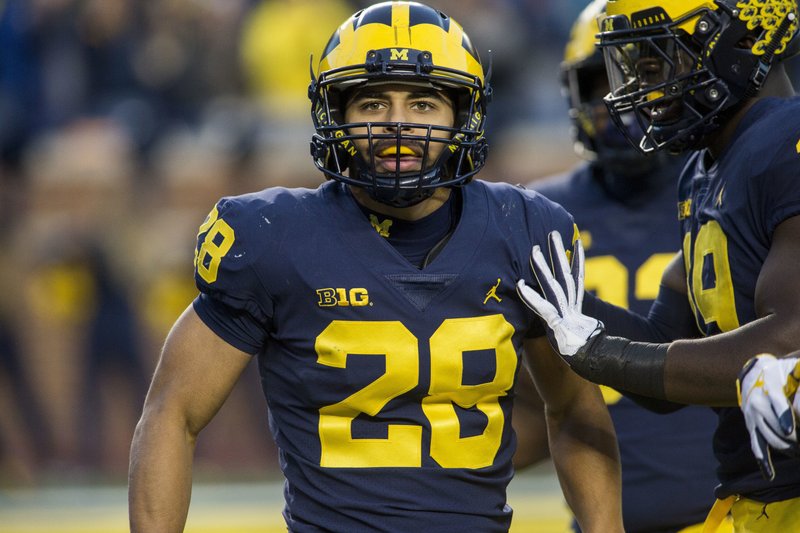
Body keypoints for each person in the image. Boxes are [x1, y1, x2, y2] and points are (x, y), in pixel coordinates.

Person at [127, 2, 623, 532]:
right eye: (372, 103)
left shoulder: (524, 230)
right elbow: (172, 414)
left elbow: (573, 410)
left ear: (464, 113)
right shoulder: (273, 236)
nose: (398, 125)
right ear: (336, 115)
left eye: (424, 104)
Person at [516, 0, 800, 530]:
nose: (636, 92)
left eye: (654, 66)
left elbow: (790, 339)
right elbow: (665, 348)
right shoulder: (708, 166)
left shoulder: (786, 139)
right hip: (753, 493)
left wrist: (606, 355)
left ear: (738, 43)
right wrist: (546, 294)